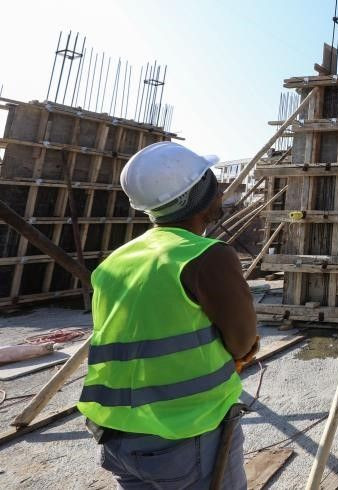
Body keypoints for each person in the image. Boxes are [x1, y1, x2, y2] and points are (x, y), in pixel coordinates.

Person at [77, 142, 259, 489]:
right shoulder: (205, 257)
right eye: (212, 182)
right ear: (199, 195)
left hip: (115, 435)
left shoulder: (115, 261)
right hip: (183, 434)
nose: (221, 189)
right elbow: (243, 341)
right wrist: (242, 352)